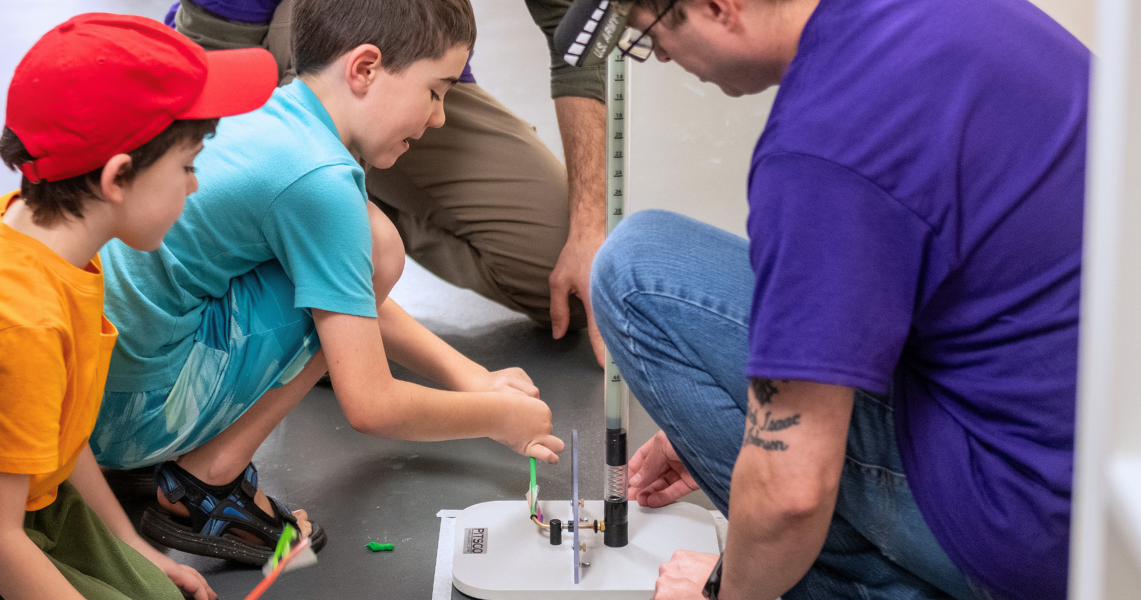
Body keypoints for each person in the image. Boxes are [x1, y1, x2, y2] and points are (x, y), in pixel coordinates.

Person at [576, 0, 1088, 598]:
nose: (659, 54)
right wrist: (734, 419)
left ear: (719, 7)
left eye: (652, 34)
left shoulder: (822, 145)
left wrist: (721, 592)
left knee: (635, 270)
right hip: (1108, 481)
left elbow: (791, 493)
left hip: (1035, 535)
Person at [91, 0, 566, 564]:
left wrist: (469, 376)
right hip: (131, 423)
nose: (439, 117)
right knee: (377, 246)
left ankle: (192, 464)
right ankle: (209, 477)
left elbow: (338, 292)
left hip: (91, 397)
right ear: (364, 69)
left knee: (365, 248)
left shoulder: (275, 111)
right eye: (436, 91)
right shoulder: (320, 180)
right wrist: (498, 418)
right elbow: (372, 405)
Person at [0, 13, 278, 599]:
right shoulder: (16, 320)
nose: (194, 185)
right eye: (188, 165)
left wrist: (136, 550)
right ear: (118, 176)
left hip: (33, 496)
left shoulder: (49, 240)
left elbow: (62, 436)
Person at [163, 0, 612, 365]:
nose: (438, 118)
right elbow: (210, 61)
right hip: (268, 53)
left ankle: (353, 196)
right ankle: (315, 220)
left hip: (411, 56)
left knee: (564, 287)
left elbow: (575, 37)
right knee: (321, 333)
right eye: (436, 99)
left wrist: (588, 228)